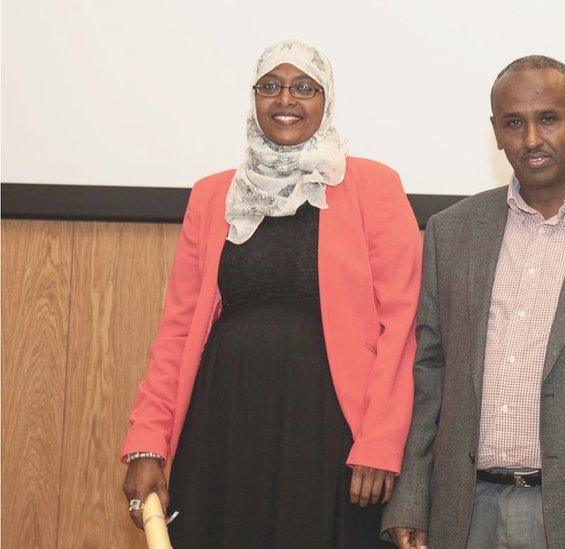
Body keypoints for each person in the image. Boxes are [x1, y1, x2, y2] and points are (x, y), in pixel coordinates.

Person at [120, 40, 422, 547]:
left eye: (304, 87)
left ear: (326, 102)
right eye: (271, 87)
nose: (286, 100)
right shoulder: (213, 195)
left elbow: (404, 324)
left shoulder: (372, 185)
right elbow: (176, 331)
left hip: (333, 428)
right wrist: (147, 443)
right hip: (225, 418)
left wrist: (381, 442)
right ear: (254, 98)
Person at [382, 55, 565, 549]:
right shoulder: (451, 231)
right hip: (468, 509)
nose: (531, 139)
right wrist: (412, 496)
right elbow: (429, 372)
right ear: (496, 133)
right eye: (513, 123)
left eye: (549, 118)